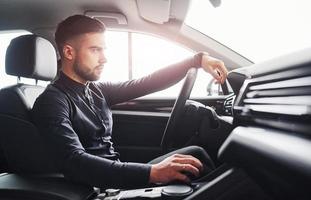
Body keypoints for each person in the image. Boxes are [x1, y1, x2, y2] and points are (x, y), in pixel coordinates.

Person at [32, 15, 228, 189]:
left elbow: (147, 83)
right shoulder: (52, 102)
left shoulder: (96, 90)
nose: (104, 58)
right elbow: (74, 161)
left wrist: (197, 60)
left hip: (116, 177)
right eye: (95, 50)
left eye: (103, 50)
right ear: (68, 52)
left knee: (196, 155)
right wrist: (152, 173)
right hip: (97, 189)